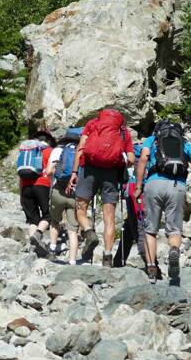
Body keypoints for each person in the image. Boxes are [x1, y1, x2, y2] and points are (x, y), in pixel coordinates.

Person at [135, 121, 191, 286]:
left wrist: (139, 186)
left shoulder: (152, 140)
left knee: (150, 229)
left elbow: (143, 160)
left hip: (154, 184)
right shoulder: (183, 142)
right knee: (174, 229)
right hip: (177, 186)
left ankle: (152, 269)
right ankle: (174, 251)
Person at [67, 108, 134, 267]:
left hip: (88, 170)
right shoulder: (123, 131)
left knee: (80, 209)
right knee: (109, 217)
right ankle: (108, 257)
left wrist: (74, 173)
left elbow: (81, 149)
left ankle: (89, 232)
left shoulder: (92, 124)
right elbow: (131, 159)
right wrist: (120, 162)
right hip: (111, 174)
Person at [44, 128, 82, 264]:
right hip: (75, 194)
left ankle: (52, 250)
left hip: (58, 191)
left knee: (55, 221)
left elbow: (48, 171)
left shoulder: (58, 150)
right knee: (73, 229)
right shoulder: (82, 152)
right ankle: (72, 261)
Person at [20, 130, 56, 255]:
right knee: (48, 215)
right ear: (48, 140)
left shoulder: (26, 151)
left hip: (25, 186)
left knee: (32, 218)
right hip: (42, 185)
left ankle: (33, 248)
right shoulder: (49, 151)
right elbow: (52, 170)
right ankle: (38, 234)